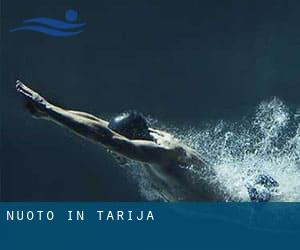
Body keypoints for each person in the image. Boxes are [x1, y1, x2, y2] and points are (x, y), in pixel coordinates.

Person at [15, 80, 278, 201]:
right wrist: (51, 113)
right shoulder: (146, 138)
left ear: (132, 140)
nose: (110, 151)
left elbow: (106, 137)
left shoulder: (162, 154)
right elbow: (99, 126)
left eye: (115, 146)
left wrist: (48, 109)